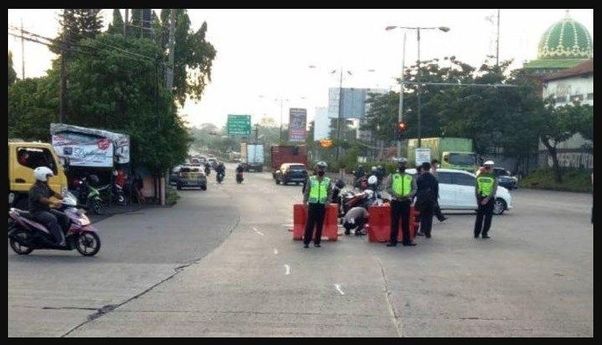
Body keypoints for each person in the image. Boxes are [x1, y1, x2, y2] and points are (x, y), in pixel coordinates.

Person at [28, 167, 68, 246]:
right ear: (42, 176)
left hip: (46, 209)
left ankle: (64, 235)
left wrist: (65, 198)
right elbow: (42, 199)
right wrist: (53, 202)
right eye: (47, 176)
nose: (48, 178)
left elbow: (54, 193)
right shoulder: (35, 188)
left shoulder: (45, 186)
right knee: (52, 218)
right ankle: (59, 240)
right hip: (37, 212)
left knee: (64, 216)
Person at [385, 158, 417, 247]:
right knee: (394, 222)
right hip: (396, 201)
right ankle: (393, 241)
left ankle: (406, 241)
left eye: (403, 164)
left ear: (406, 166)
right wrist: (395, 194)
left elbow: (414, 188)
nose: (402, 166)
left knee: (405, 222)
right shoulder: (392, 175)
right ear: (398, 165)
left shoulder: (410, 176)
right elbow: (387, 187)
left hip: (406, 202)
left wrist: (409, 195)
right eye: (400, 164)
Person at [302, 161, 332, 248]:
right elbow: (306, 191)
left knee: (319, 224)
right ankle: (306, 242)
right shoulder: (311, 179)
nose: (321, 170)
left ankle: (317, 242)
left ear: (325, 169)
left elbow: (330, 193)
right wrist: (305, 201)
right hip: (312, 204)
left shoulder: (328, 181)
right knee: (310, 224)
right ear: (316, 168)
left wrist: (328, 202)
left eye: (323, 168)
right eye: (319, 168)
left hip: (322, 205)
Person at [474, 160, 498, 239]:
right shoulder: (493, 177)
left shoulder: (479, 176)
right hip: (489, 199)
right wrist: (487, 199)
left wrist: (478, 199)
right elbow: (494, 190)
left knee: (479, 217)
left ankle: (476, 234)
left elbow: (476, 188)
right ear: (491, 167)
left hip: (480, 198)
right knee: (488, 218)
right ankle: (484, 234)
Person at [416, 161, 438, 239]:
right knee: (429, 217)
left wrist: (414, 198)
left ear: (422, 168)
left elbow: (416, 189)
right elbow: (436, 190)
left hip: (421, 200)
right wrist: (435, 200)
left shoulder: (420, 178)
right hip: (431, 200)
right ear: (429, 168)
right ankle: (428, 233)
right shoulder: (433, 178)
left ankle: (420, 231)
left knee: (421, 216)